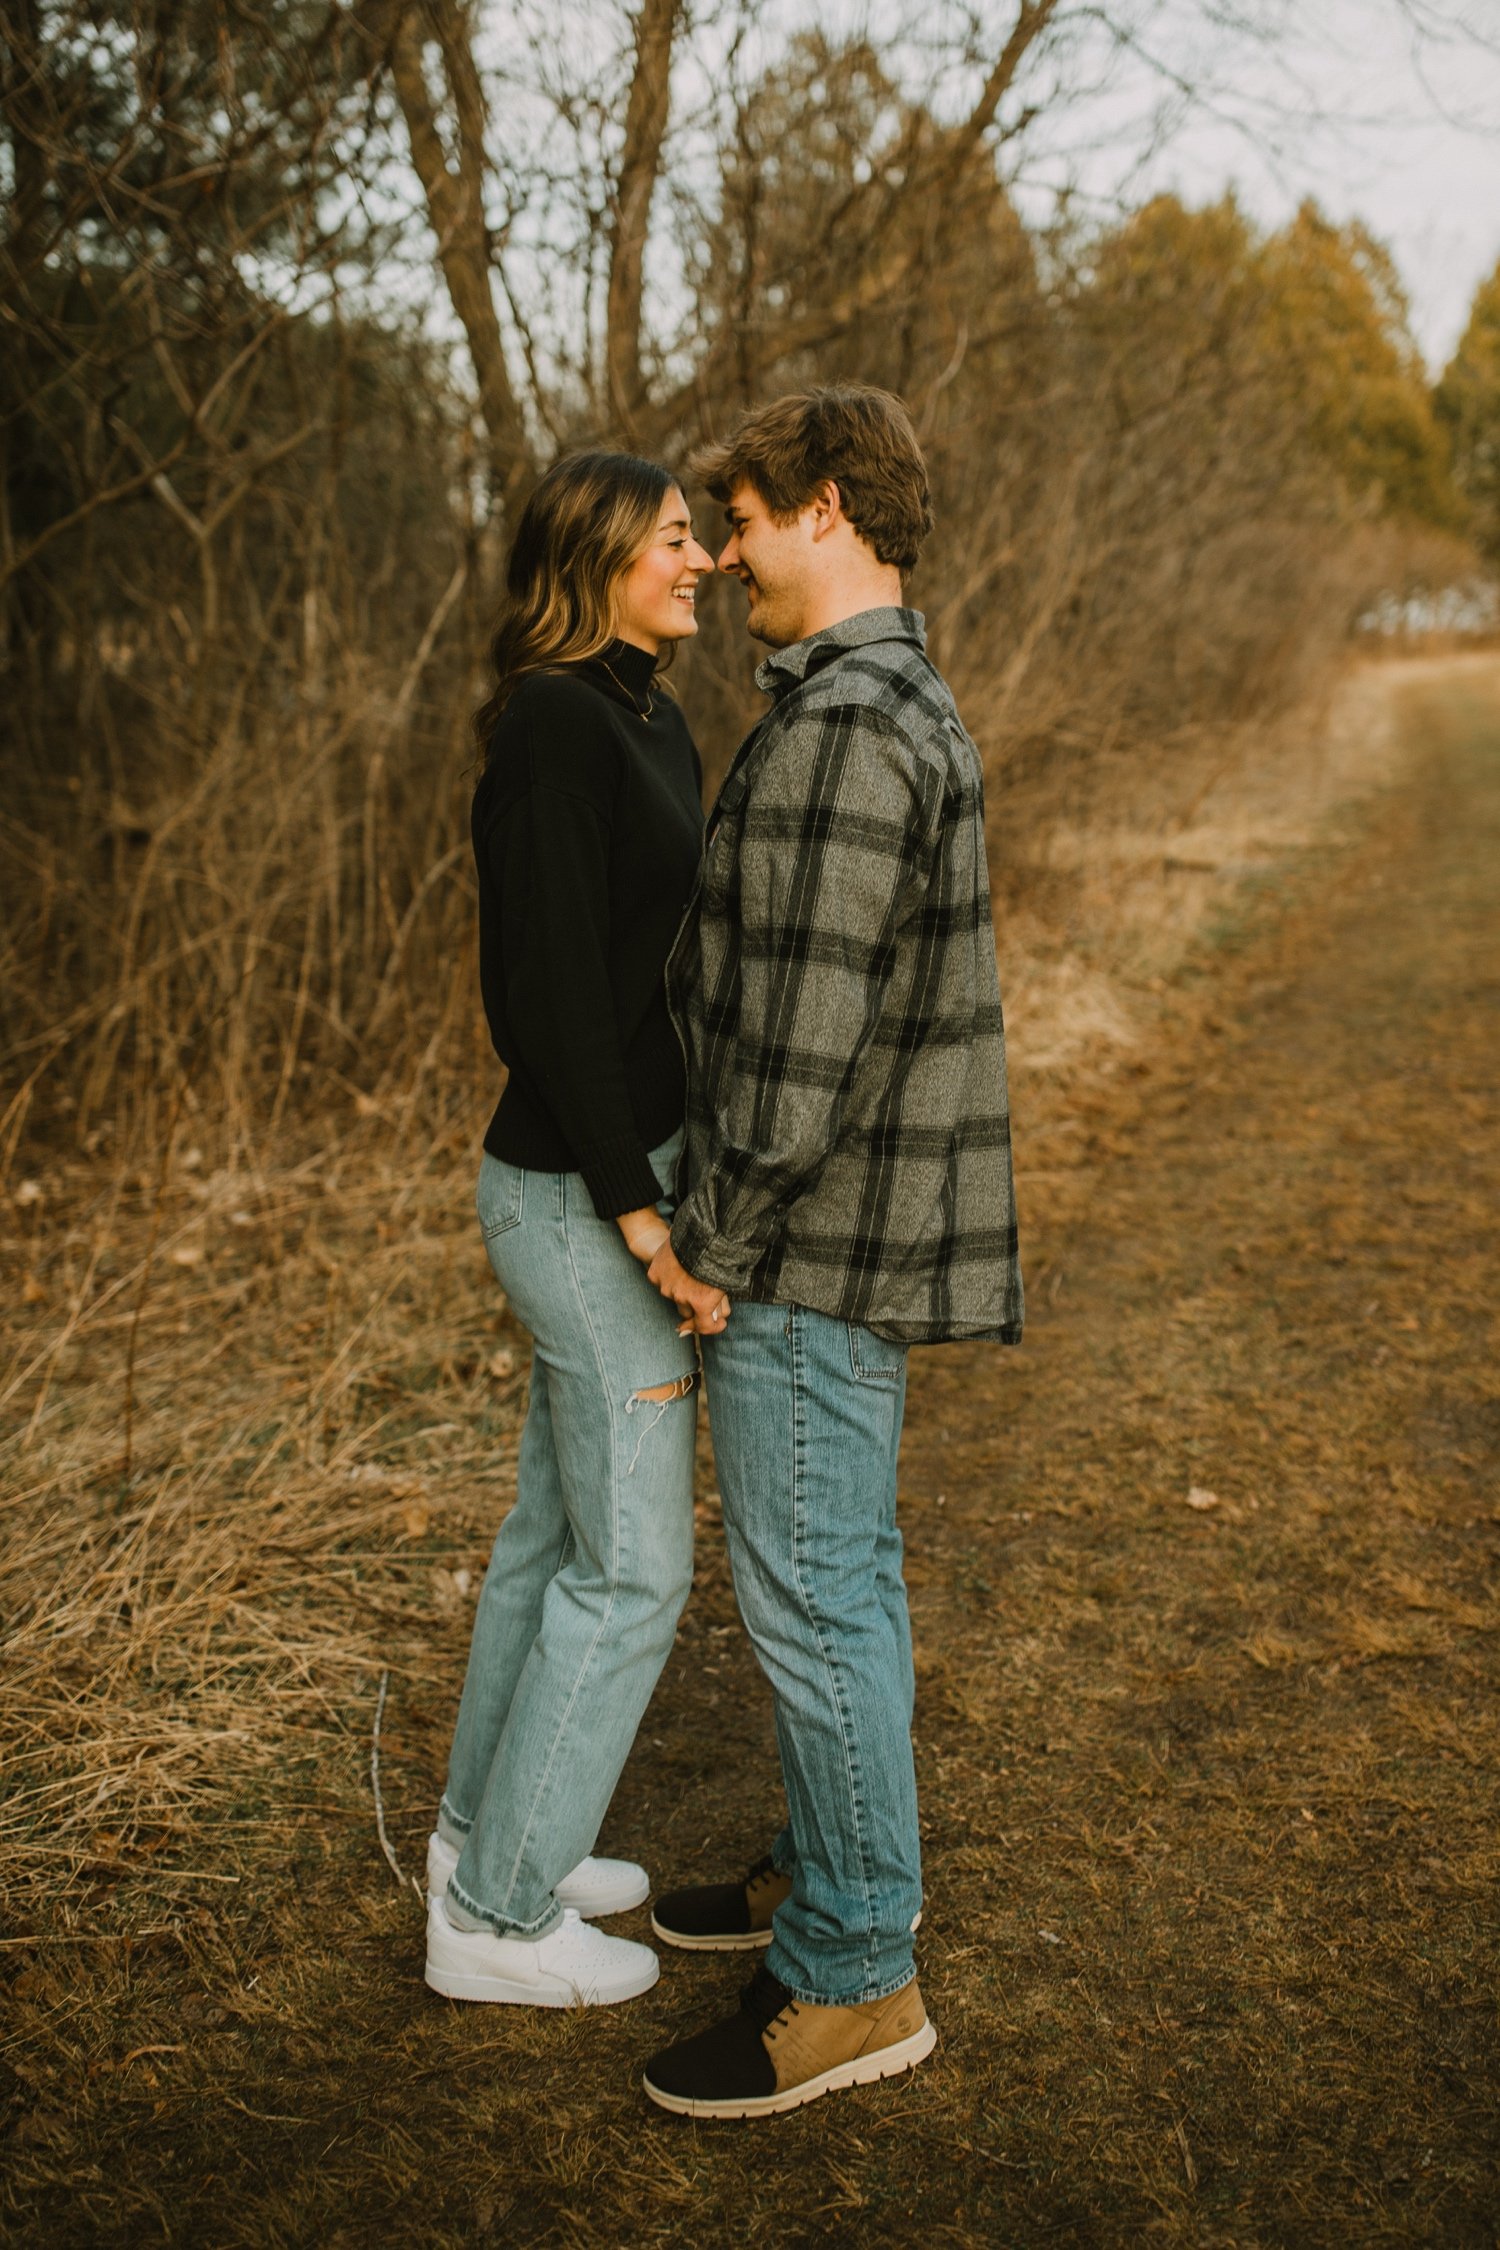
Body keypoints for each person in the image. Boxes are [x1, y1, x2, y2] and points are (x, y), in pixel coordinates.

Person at [640, 385, 1024, 2116]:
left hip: (796, 1249)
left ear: (829, 509)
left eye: (742, 518)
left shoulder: (851, 728)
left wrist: (709, 1237)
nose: (721, 555)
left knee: (816, 1604)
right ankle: (826, 1866)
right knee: (832, 1580)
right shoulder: (869, 706)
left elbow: (795, 1052)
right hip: (828, 1239)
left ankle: (860, 1973)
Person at [424, 450, 722, 2009]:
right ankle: (497, 1916)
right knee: (637, 1572)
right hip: (573, 1194)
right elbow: (541, 1002)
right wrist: (642, 1217)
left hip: (615, 1171)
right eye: (678, 538)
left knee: (553, 1540)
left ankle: (492, 1830)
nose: (706, 558)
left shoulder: (649, 710)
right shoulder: (553, 724)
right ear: (602, 554)